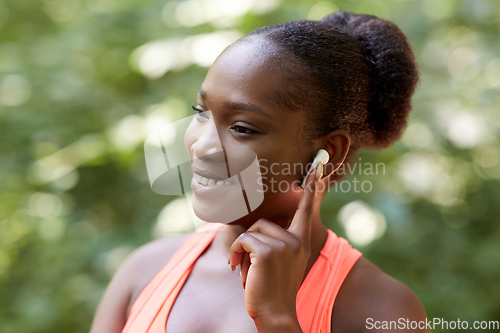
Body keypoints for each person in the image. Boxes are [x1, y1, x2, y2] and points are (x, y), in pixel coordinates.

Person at [90, 11, 429, 333]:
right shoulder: (146, 270)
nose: (202, 147)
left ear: (330, 152)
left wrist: (277, 319)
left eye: (242, 127)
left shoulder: (382, 310)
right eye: (201, 111)